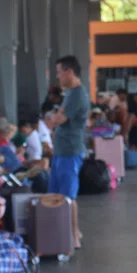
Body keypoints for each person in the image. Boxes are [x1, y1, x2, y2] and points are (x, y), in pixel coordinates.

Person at [47, 56, 89, 200]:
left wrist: (55, 115)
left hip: (69, 152)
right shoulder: (70, 93)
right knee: (56, 196)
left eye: (59, 72)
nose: (58, 76)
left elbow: (58, 119)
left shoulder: (77, 95)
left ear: (69, 71)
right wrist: (57, 114)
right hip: (61, 151)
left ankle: (71, 217)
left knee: (67, 198)